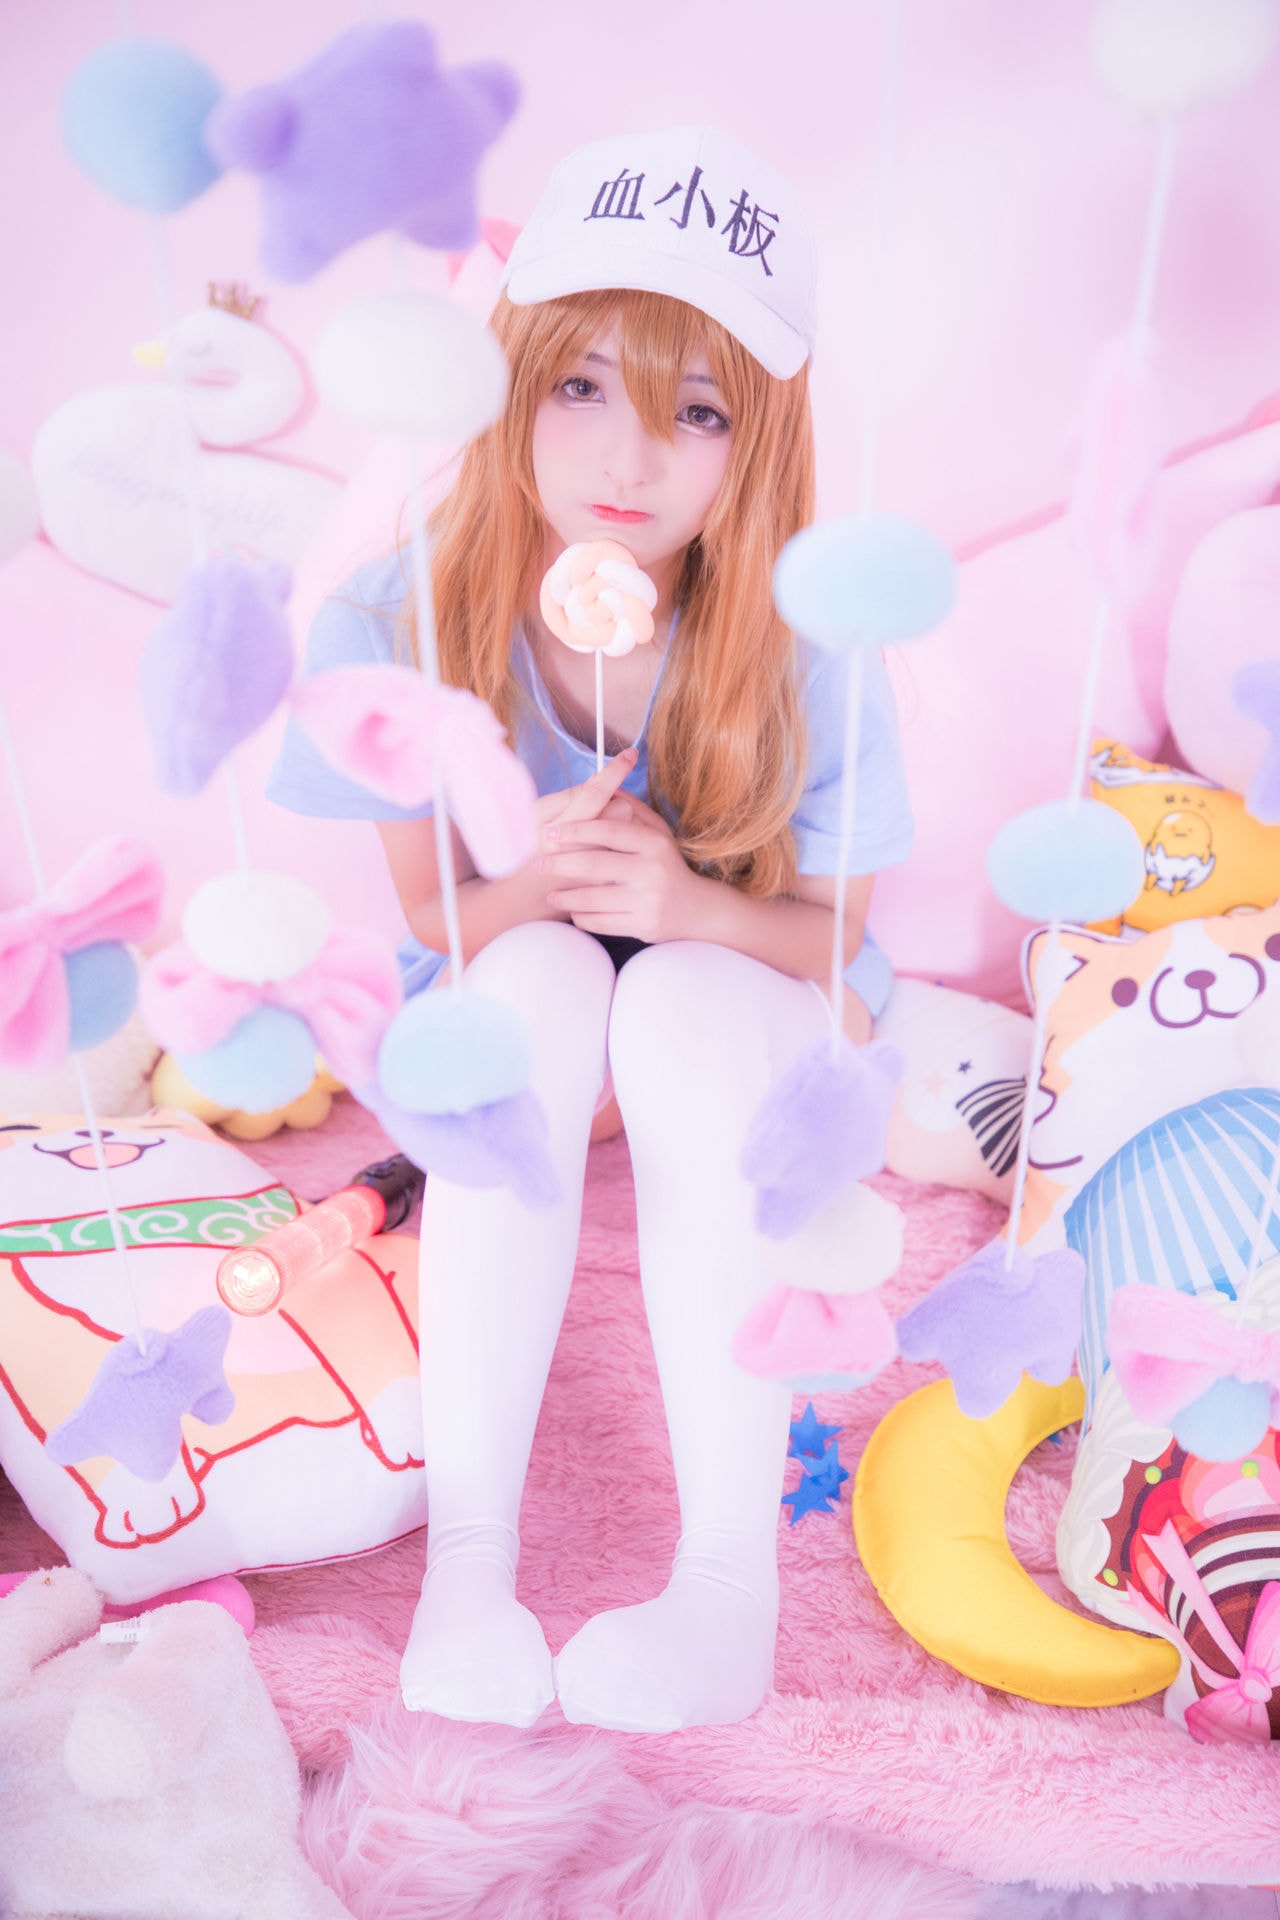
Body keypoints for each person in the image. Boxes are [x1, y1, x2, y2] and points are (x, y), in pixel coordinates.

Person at [269, 126, 913, 1733]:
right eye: (581, 385)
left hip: (737, 1000)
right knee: (540, 981)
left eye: (698, 410)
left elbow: (835, 937)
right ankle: (468, 1569)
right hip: (525, 987)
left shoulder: (807, 635)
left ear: (757, 440)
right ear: (508, 381)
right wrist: (543, 878)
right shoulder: (399, 619)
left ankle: (726, 1591)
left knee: (676, 995)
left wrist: (687, 902)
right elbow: (438, 925)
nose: (630, 455)